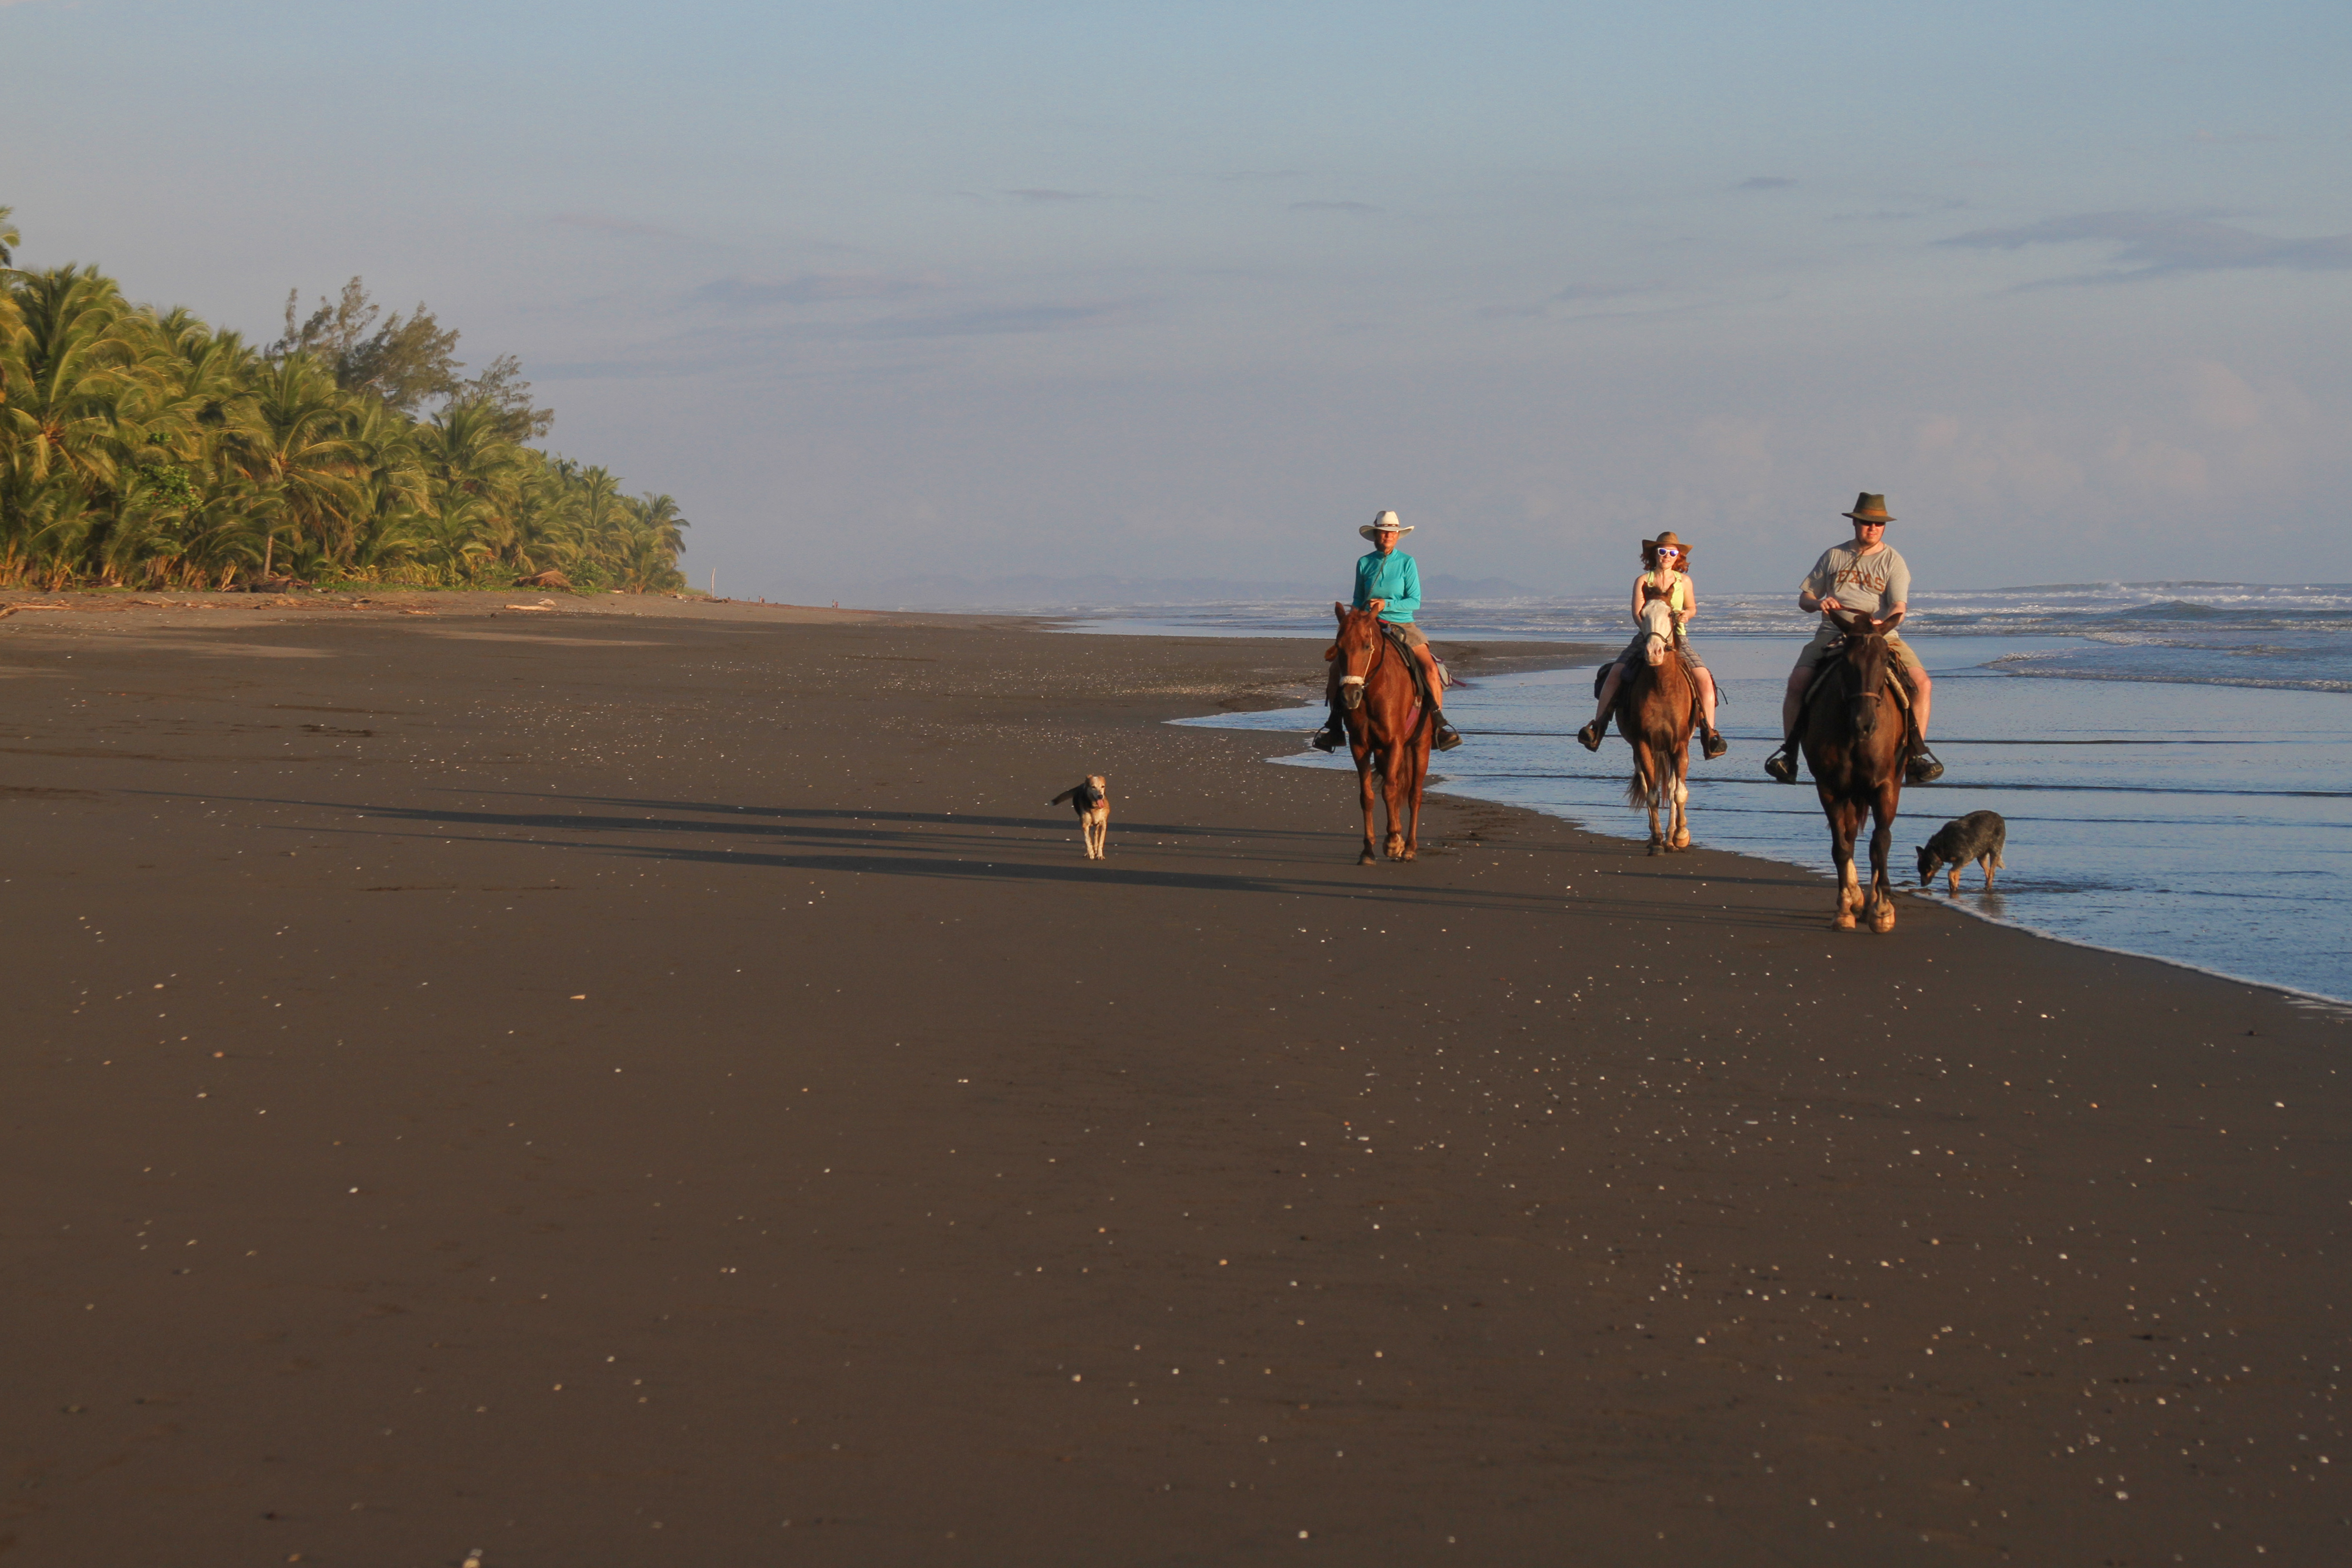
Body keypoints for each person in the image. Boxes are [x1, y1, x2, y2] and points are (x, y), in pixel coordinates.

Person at [1761, 492, 1943, 784]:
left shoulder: (1893, 561)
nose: (1872, 528)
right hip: (1833, 631)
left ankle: (1915, 755)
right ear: (1855, 523)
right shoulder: (1834, 555)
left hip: (1879, 635)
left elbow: (1899, 605)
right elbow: (1805, 598)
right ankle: (1789, 754)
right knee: (1797, 683)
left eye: (1878, 524)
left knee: (1922, 683)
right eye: (1866, 523)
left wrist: (1885, 622)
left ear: (1884, 527)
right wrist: (1819, 603)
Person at [1312, 511, 1463, 753]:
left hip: (1403, 625)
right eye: (1383, 532)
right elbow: (1358, 598)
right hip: (1369, 624)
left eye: (1392, 532)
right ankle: (1335, 727)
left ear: (1398, 536)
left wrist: (1386, 605)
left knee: (1430, 669)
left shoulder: (1407, 562)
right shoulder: (1364, 562)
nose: (1388, 536)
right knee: (1337, 669)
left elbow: (1414, 601)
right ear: (1375, 535)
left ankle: (1438, 725)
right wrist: (1358, 617)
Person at [1575, 530, 1727, 758]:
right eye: (1662, 551)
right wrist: (1648, 631)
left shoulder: (1684, 581)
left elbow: (1693, 607)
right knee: (1616, 673)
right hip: (1646, 637)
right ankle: (1598, 727)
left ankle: (1710, 734)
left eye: (1672, 552)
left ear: (1678, 556)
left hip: (1677, 638)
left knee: (1704, 679)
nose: (1667, 556)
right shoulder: (1643, 581)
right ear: (1654, 554)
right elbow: (1637, 613)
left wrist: (1687, 614)